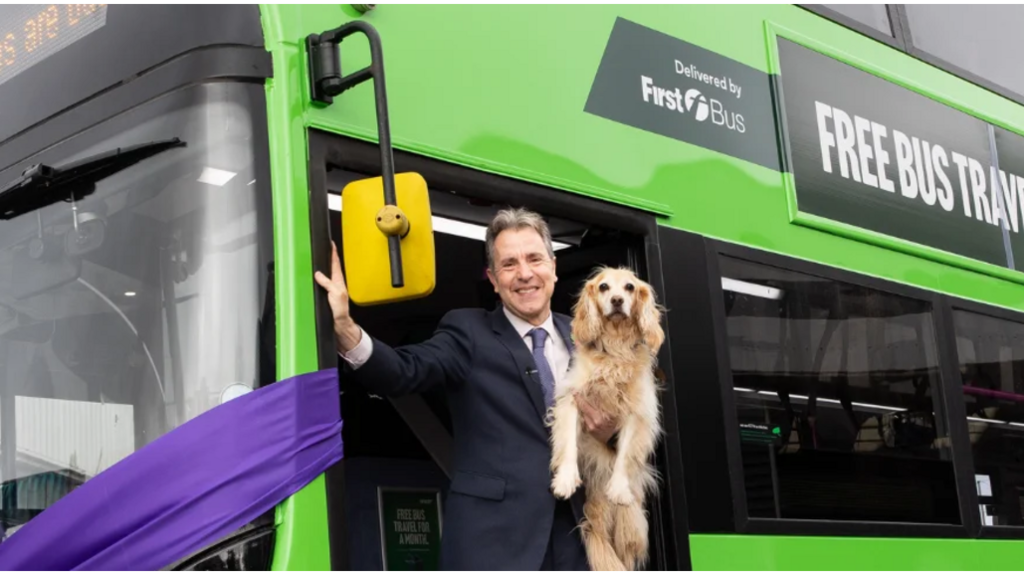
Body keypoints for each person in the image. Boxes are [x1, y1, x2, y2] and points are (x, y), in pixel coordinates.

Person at [315, 207, 618, 571]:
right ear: (492, 278)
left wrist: (612, 434)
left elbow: (634, 428)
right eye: (509, 264)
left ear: (553, 267)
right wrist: (346, 328)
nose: (524, 274)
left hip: (580, 541)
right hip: (493, 545)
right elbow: (401, 372)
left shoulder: (587, 338)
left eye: (534, 259)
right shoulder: (467, 332)